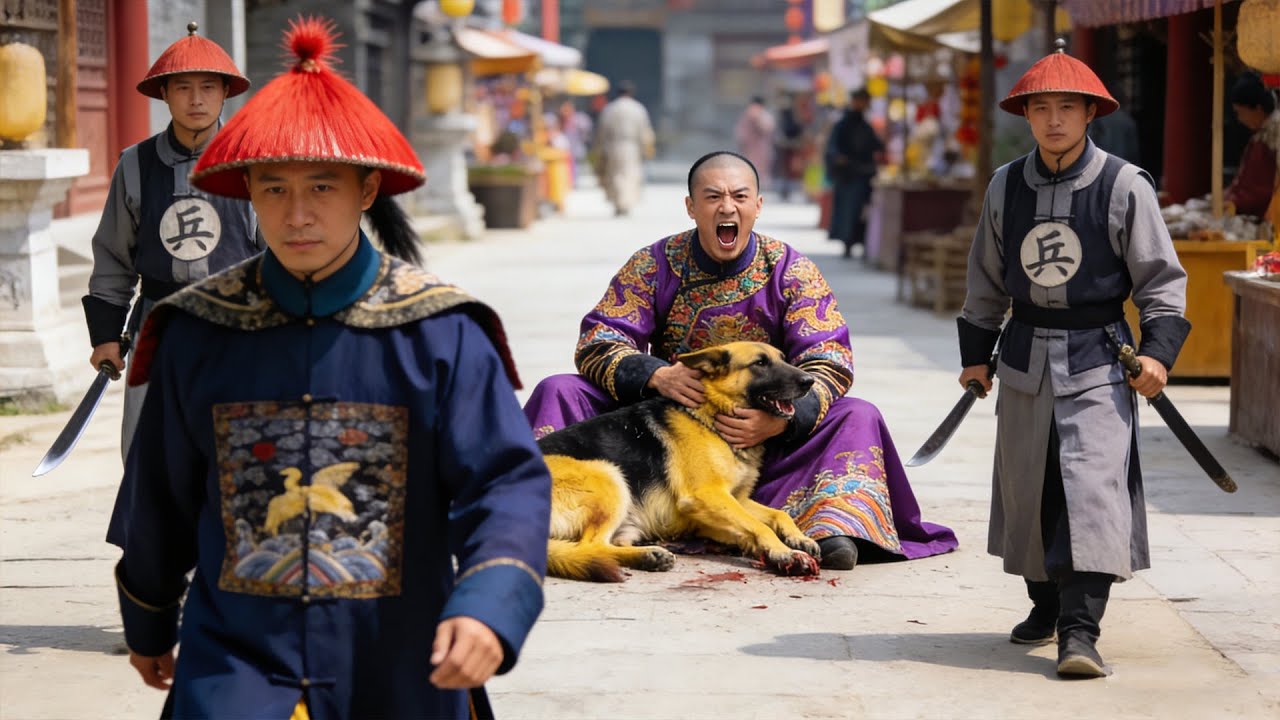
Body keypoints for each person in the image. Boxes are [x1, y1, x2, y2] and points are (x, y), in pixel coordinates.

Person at [107, 17, 551, 718]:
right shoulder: (197, 331)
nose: (296, 214)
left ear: (367, 190)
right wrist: (150, 619)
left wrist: (490, 604)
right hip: (239, 663)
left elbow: (504, 484)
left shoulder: (442, 332)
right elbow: (159, 497)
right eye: (275, 189)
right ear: (247, 190)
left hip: (404, 662)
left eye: (321, 187)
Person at [523, 150, 957, 572]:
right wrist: (657, 375)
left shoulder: (792, 270)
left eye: (739, 196)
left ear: (758, 205)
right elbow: (600, 339)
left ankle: (832, 525)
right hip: (669, 436)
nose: (727, 207)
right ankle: (529, 507)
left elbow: (830, 359)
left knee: (858, 414)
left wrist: (782, 421)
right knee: (560, 388)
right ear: (691, 207)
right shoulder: (652, 265)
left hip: (771, 435)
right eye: (712, 197)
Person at [957, 42, 1190, 679]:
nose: (1054, 120)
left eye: (1068, 107)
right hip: (1025, 357)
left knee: (1091, 490)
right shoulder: (1006, 186)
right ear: (1026, 116)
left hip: (1099, 358)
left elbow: (1162, 282)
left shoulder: (1123, 186)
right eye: (1041, 109)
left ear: (1091, 113)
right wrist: (976, 357)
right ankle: (1046, 603)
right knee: (1030, 487)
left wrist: (1158, 354)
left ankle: (1080, 632)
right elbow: (985, 282)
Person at [82, 22, 260, 461]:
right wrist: (106, 335)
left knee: (237, 450)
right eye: (182, 88)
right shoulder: (135, 165)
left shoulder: (255, 161)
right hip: (157, 325)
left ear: (224, 93)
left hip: (238, 325)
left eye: (207, 87)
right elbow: (113, 254)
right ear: (165, 94)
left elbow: (280, 250)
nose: (196, 99)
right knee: (151, 451)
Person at [824, 88, 883, 258]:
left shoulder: (865, 125)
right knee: (848, 211)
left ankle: (860, 242)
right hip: (848, 176)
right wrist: (838, 159)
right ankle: (847, 243)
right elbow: (833, 148)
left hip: (863, 174)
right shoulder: (842, 124)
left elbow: (875, 145)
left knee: (861, 212)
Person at [592, 81, 655, 216]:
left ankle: (618, 203)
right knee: (630, 174)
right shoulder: (638, 108)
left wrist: (599, 148)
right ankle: (625, 202)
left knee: (614, 174)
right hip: (632, 146)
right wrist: (647, 147)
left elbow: (602, 130)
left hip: (612, 146)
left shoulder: (610, 108)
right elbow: (644, 130)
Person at [1225, 71, 1279, 222]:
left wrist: (1235, 201)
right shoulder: (1261, 135)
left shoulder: (1275, 134)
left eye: (1240, 113)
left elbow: (1264, 187)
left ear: (1258, 108)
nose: (1239, 119)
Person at [735, 96, 776, 192]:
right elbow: (767, 127)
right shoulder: (755, 112)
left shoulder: (749, 113)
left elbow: (740, 132)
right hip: (757, 147)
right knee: (757, 168)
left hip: (751, 146)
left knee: (751, 167)